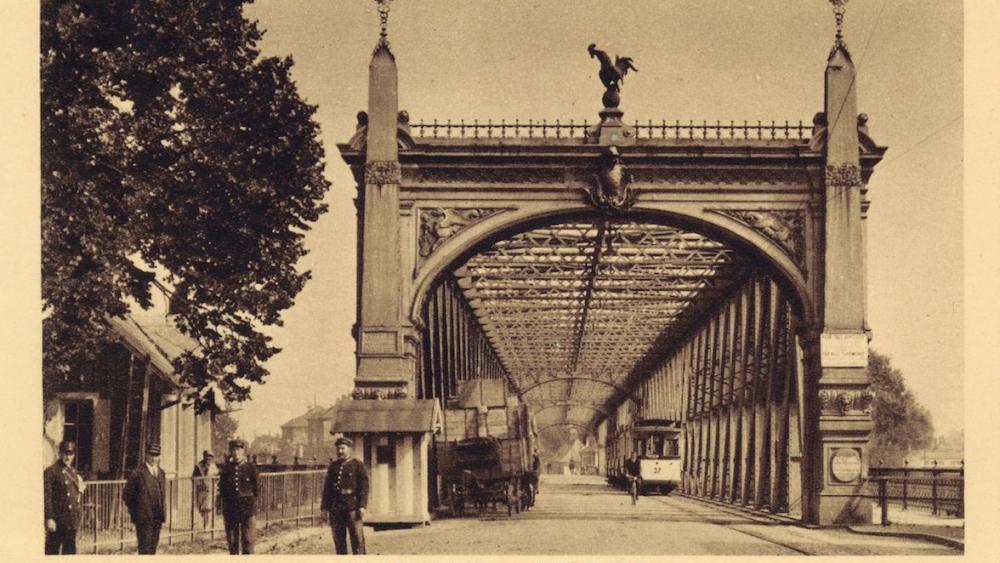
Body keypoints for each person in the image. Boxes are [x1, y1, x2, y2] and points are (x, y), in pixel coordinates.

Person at [321, 436, 369, 555]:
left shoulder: (357, 464)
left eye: (342, 448)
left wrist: (362, 505)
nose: (340, 451)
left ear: (349, 449)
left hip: (353, 508)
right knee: (339, 541)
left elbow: (364, 487)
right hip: (336, 509)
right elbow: (327, 489)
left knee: (357, 540)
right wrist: (324, 508)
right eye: (338, 449)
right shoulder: (333, 466)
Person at [44, 440, 86, 554]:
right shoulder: (51, 472)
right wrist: (49, 518)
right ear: (60, 453)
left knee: (70, 552)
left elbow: (75, 497)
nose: (68, 457)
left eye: (71, 454)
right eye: (66, 453)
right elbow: (47, 497)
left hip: (71, 521)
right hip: (57, 521)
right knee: (52, 552)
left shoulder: (72, 472)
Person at [124, 443, 167, 554]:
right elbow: (127, 496)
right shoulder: (137, 473)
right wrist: (137, 513)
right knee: (145, 550)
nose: (153, 458)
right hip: (143, 519)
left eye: (156, 455)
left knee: (153, 549)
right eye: (151, 455)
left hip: (157, 517)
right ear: (146, 455)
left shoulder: (161, 473)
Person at [219, 439, 259, 554]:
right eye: (233, 450)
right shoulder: (226, 469)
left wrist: (253, 507)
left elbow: (256, 489)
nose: (236, 453)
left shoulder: (250, 467)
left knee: (248, 540)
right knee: (232, 542)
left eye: (238, 450)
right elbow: (222, 489)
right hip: (231, 510)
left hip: (247, 510)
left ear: (243, 451)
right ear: (230, 452)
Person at [192, 450, 218, 529]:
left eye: (210, 457)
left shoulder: (214, 467)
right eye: (207, 456)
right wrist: (198, 481)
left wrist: (215, 484)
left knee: (208, 507)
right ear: (204, 456)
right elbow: (193, 477)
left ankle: (207, 524)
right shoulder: (198, 466)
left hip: (210, 490)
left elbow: (217, 477)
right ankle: (205, 520)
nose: (208, 458)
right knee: (201, 508)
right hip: (201, 489)